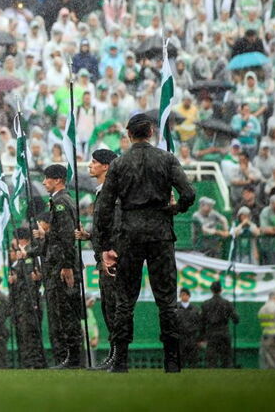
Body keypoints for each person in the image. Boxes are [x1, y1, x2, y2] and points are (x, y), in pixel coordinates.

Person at [94, 113, 196, 372]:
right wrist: (175, 209)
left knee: (125, 300)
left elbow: (105, 208)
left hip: (129, 235)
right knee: (167, 300)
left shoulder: (118, 164)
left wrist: (105, 246)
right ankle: (172, 361)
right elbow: (189, 193)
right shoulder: (166, 159)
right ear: (151, 132)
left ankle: (120, 361)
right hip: (160, 233)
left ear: (129, 134)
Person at [34, 164, 82, 369]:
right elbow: (59, 235)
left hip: (62, 265)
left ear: (58, 180)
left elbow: (67, 237)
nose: (44, 182)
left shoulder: (61, 202)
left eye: (47, 178)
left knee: (67, 313)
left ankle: (74, 359)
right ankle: (70, 358)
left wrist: (67, 266)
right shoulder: (59, 201)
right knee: (61, 313)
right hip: (59, 263)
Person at [82, 148, 120, 370]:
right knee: (108, 308)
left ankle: (119, 356)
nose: (90, 165)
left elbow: (116, 225)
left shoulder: (113, 193)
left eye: (94, 162)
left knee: (116, 308)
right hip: (102, 259)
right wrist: (89, 235)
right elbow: (103, 228)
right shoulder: (101, 192)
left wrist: (112, 251)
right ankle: (114, 354)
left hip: (112, 260)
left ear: (106, 166)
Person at [9, 228, 46, 369]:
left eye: (15, 238)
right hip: (21, 302)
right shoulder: (21, 256)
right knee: (24, 334)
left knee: (31, 333)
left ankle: (35, 363)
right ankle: (27, 363)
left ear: (22, 240)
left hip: (31, 302)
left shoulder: (32, 254)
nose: (13, 242)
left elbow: (34, 277)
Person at [199, 280, 239, 369]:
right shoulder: (227, 303)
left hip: (211, 333)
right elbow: (236, 319)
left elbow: (202, 322)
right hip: (224, 332)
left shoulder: (206, 304)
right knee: (226, 358)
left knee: (211, 360)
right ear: (221, 290)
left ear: (211, 290)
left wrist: (201, 337)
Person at [175, 288, 202, 368]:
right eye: (182, 295)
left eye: (186, 295)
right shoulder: (176, 309)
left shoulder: (195, 309)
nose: (184, 296)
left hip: (192, 337)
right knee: (181, 360)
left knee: (193, 360)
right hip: (180, 337)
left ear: (189, 296)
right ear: (180, 296)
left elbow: (200, 324)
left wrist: (200, 338)